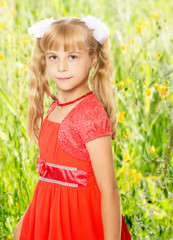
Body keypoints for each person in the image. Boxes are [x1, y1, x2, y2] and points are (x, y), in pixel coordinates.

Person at [13, 15, 132, 240]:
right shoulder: (54, 108)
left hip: (80, 220)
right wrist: (26, 222)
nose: (62, 67)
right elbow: (48, 177)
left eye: (73, 57)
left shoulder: (89, 114)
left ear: (93, 59)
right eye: (53, 57)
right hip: (46, 217)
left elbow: (109, 190)